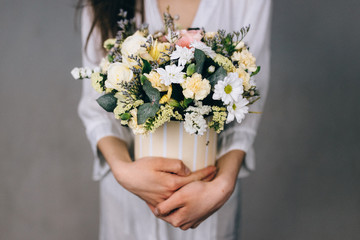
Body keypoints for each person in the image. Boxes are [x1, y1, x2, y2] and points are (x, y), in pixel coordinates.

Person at [77, 0, 272, 239]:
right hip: (130, 199)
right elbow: (95, 102)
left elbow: (250, 95)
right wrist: (123, 170)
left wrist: (222, 185)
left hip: (208, 197)